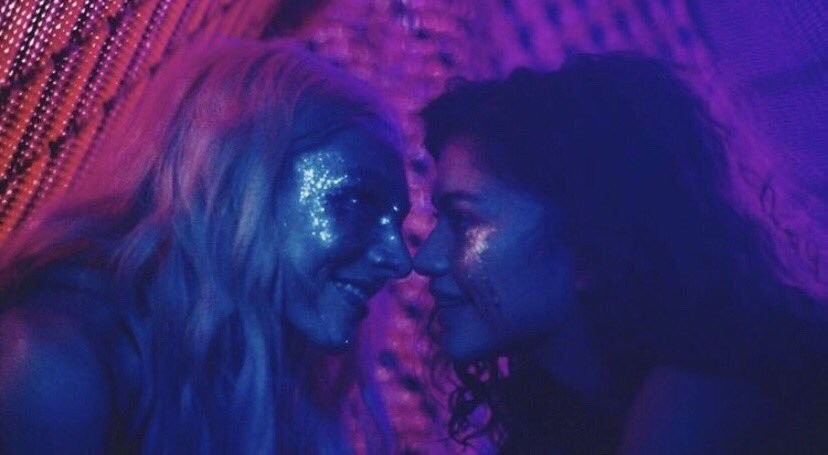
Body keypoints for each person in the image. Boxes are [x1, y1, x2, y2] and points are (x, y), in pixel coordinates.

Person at [0, 38, 412, 452]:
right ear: (240, 183)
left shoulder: (266, 379)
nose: (399, 260)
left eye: (397, 220)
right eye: (357, 201)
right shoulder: (55, 362)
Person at [414, 53, 828, 453]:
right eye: (438, 219)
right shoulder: (560, 415)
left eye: (463, 220)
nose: (425, 258)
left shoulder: (718, 381)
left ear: (588, 241)